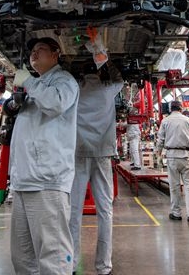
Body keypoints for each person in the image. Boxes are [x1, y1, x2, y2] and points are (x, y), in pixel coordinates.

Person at [10, 36, 79, 275]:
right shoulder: (36, 86)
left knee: (53, 256)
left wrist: (28, 81)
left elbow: (56, 103)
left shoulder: (63, 81)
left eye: (41, 49)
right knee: (23, 258)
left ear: (55, 54)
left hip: (47, 181)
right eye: (32, 51)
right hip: (23, 180)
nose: (34, 54)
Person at [69, 62, 123, 275]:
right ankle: (103, 267)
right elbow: (119, 79)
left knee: (73, 211)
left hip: (79, 153)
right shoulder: (108, 89)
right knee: (105, 211)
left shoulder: (75, 89)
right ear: (99, 73)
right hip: (102, 154)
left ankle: (72, 264)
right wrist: (105, 60)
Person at [156, 100, 189, 222]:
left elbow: (160, 140)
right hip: (185, 155)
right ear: (181, 108)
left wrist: (158, 153)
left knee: (174, 186)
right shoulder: (187, 120)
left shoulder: (165, 121)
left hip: (171, 156)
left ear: (170, 109)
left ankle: (176, 213)